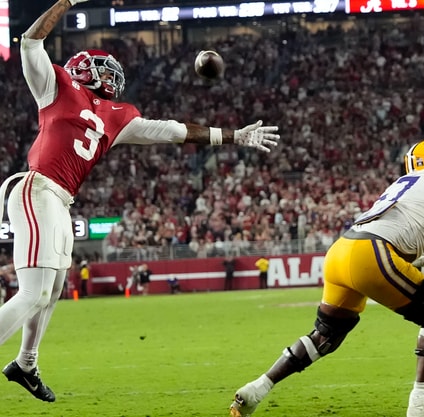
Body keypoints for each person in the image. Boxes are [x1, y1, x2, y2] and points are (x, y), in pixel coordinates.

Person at [0, 0, 279, 403]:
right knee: (33, 293)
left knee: (54, 287)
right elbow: (30, 41)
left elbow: (172, 131)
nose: (113, 77)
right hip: (37, 187)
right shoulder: (55, 85)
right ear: (84, 67)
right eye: (106, 69)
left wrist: (234, 136)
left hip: (61, 201)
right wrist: (65, 1)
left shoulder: (118, 114)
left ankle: (26, 364)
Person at [229, 140, 424, 417]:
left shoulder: (404, 185)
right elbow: (382, 249)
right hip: (370, 253)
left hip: (342, 251)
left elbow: (391, 240)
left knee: (325, 337)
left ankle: (258, 387)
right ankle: (420, 405)